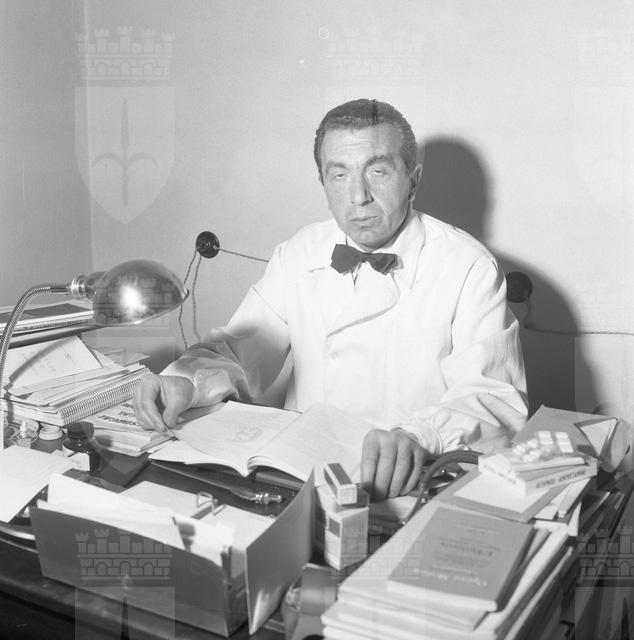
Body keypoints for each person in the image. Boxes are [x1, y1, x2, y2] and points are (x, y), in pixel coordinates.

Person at [134, 99, 528, 500]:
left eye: (378, 171)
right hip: (300, 477)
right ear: (323, 184)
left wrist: (421, 436)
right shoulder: (299, 253)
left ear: (413, 180)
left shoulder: (469, 266)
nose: (358, 196)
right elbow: (237, 350)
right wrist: (184, 382)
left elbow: (493, 398)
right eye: (339, 175)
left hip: (415, 483)